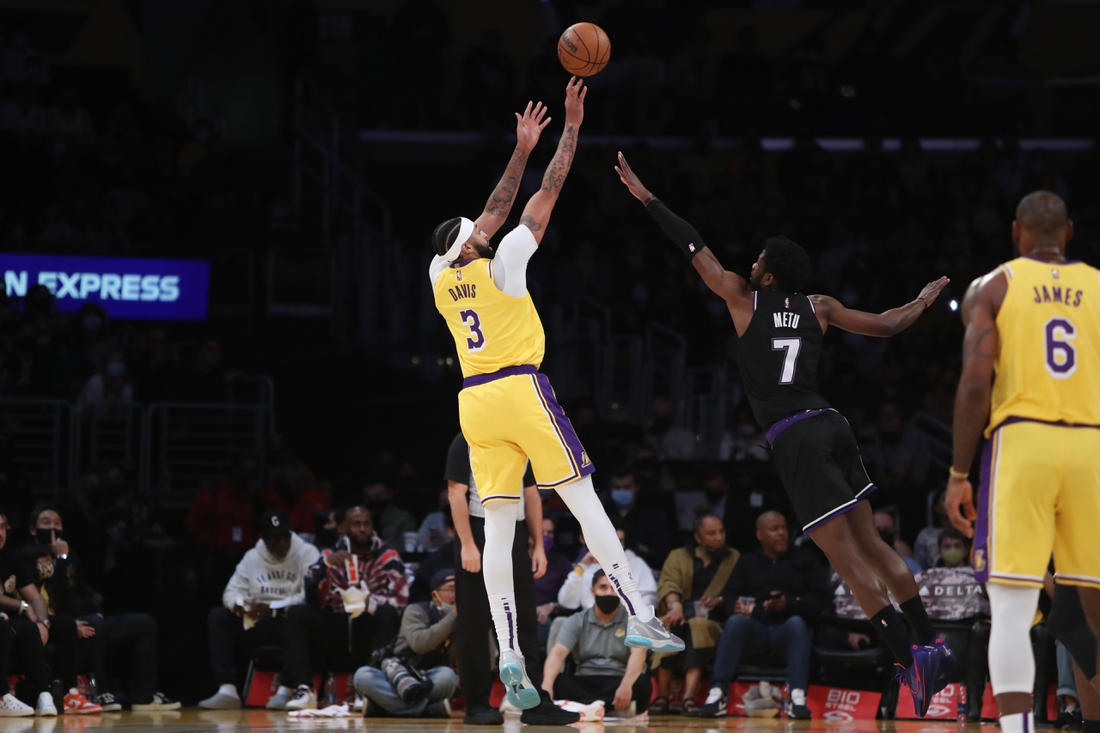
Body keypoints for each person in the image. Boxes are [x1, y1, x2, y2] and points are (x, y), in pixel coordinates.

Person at [616, 151, 952, 715]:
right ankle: (933, 645)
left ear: (768, 276)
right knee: (875, 544)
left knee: (847, 561)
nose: (749, 264)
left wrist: (647, 198)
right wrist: (922, 299)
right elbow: (890, 324)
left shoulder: (743, 302)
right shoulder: (820, 306)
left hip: (797, 437)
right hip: (834, 423)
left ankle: (910, 659)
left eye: (757, 260)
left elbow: (695, 248)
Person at [430, 79, 682, 709]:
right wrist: (565, 130)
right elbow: (544, 193)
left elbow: (491, 208)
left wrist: (517, 151)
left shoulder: (439, 278)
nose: (487, 222)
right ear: (473, 240)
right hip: (519, 386)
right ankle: (638, 611)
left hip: (474, 404)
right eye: (478, 226)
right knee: (582, 496)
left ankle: (510, 651)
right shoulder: (507, 259)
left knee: (500, 531)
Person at [946, 190, 1100, 733]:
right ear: (1069, 233)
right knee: (1092, 609)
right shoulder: (1099, 286)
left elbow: (973, 385)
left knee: (1011, 605)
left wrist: (959, 474)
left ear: (1016, 233)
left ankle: (1018, 731)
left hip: (1024, 440)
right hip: (1091, 444)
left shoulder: (996, 285)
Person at [445, 431, 577, 725]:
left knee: (525, 621)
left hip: (515, 534)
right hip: (477, 531)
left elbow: (530, 494)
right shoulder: (465, 440)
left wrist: (538, 544)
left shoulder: (519, 440)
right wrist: (467, 544)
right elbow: (455, 493)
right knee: (475, 624)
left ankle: (534, 703)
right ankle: (477, 705)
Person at [26, 506, 178, 712]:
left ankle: (146, 695)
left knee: (144, 622)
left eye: (57, 523)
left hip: (86, 619)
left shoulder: (70, 554)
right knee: (95, 624)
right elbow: (56, 595)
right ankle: (102, 692)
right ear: (33, 529)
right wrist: (60, 559)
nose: (52, 527)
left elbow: (81, 591)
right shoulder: (29, 557)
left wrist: (96, 608)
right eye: (46, 522)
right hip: (61, 624)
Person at [268, 506, 406, 711]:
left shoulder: (388, 555)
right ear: (344, 528)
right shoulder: (329, 554)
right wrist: (325, 566)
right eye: (356, 524)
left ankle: (368, 688)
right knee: (297, 612)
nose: (362, 529)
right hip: (336, 628)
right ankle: (304, 689)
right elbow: (310, 597)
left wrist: (371, 602)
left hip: (368, 631)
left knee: (386, 613)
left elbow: (401, 599)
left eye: (366, 524)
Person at [698, 511, 829, 719]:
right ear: (760, 535)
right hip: (755, 631)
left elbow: (821, 598)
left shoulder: (805, 558)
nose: (782, 533)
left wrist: (790, 603)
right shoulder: (747, 561)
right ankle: (717, 694)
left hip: (788, 632)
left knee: (796, 623)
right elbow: (730, 593)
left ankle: (797, 699)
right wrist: (736, 606)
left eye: (784, 528)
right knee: (735, 622)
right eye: (775, 529)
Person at [200, 509, 320, 709]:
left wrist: (273, 609)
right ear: (263, 538)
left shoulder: (307, 553)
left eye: (285, 536)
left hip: (291, 621)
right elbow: (230, 592)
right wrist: (240, 606)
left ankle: (286, 689)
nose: (281, 542)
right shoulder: (251, 557)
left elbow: (309, 596)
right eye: (274, 538)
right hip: (259, 621)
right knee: (219, 616)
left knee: (297, 617)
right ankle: (227, 690)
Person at [652, 512, 739, 716]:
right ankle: (662, 695)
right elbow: (668, 584)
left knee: (698, 626)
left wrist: (720, 601)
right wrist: (675, 606)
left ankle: (689, 697)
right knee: (667, 623)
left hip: (712, 621)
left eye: (721, 532)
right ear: (698, 537)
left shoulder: (734, 558)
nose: (719, 537)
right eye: (711, 533)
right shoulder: (678, 555)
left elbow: (739, 591)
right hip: (680, 612)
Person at [543, 571, 651, 716]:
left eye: (614, 589)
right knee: (555, 682)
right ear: (592, 591)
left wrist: (626, 685)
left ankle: (583, 706)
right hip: (585, 679)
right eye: (603, 587)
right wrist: (547, 685)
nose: (608, 593)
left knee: (643, 683)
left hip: (618, 680)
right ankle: (598, 706)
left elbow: (639, 654)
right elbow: (558, 653)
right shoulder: (576, 620)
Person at [354, 570, 458, 718]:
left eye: (460, 590)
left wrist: (478, 618)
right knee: (362, 676)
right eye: (451, 589)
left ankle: (383, 708)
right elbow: (420, 644)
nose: (457, 594)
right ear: (435, 596)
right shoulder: (415, 610)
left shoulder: (463, 617)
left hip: (429, 677)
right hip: (398, 674)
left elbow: (486, 659)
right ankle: (429, 710)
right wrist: (453, 616)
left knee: (448, 677)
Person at [0, 510, 52, 716]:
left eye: (2, 527)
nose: (0, 533)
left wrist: (43, 623)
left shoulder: (9, 555)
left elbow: (35, 596)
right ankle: (1, 696)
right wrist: (20, 605)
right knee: (3, 627)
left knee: (29, 628)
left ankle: (44, 694)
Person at [557, 526, 657, 612]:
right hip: (591, 624)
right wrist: (582, 566)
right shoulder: (587, 564)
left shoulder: (636, 563)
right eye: (612, 540)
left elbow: (650, 598)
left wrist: (633, 619)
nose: (616, 545)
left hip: (627, 624)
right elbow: (566, 601)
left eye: (620, 541)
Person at [606, 468, 670, 568]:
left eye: (627, 487)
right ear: (611, 489)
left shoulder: (653, 518)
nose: (622, 491)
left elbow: (662, 554)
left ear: (637, 487)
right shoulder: (601, 515)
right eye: (617, 487)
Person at [363, 479, 417, 549]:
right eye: (369, 498)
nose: (374, 501)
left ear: (390, 493)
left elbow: (405, 548)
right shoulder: (362, 520)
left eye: (379, 496)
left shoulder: (404, 519)